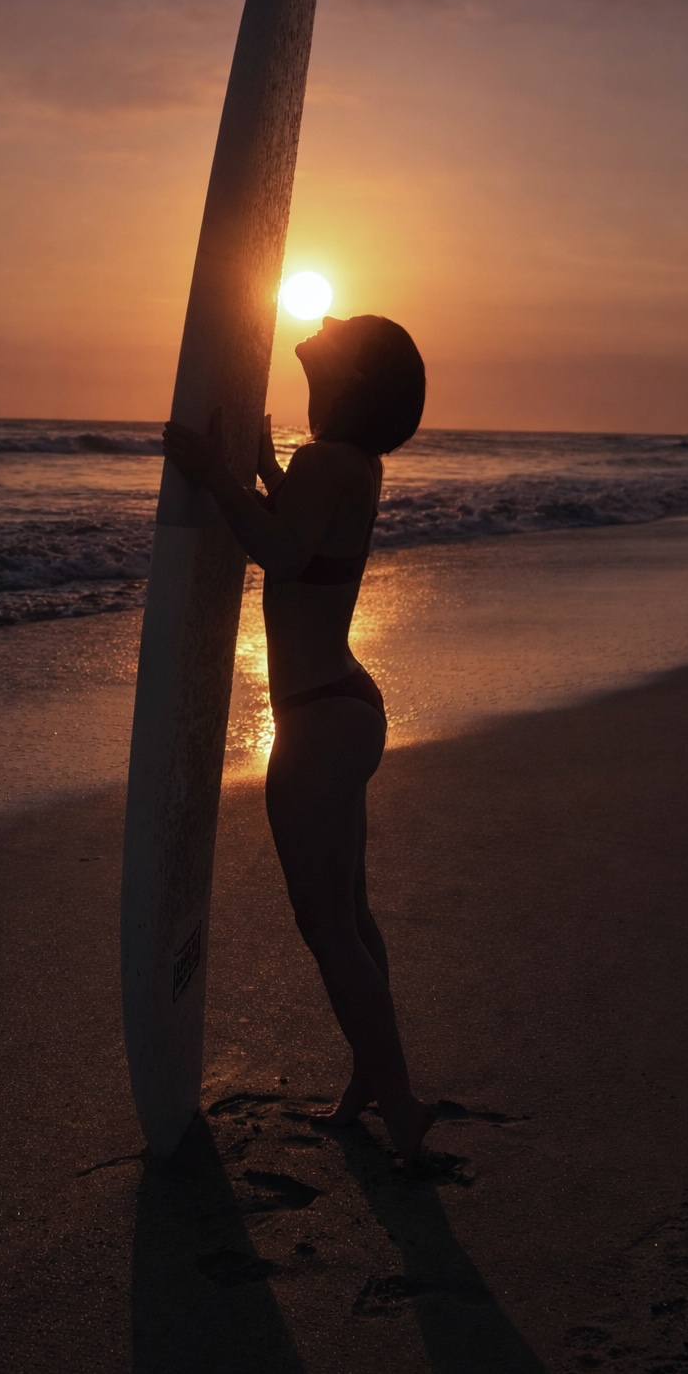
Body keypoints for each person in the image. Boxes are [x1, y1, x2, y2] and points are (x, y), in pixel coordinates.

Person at [163, 314, 434, 1162]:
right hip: (343, 705)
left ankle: (400, 1106)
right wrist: (263, 470)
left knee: (326, 925)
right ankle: (375, 1078)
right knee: (349, 912)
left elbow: (280, 553)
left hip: (318, 721)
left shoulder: (330, 463)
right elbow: (306, 539)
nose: (323, 319)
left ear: (354, 375)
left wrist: (215, 477)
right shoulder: (350, 465)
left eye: (342, 323)